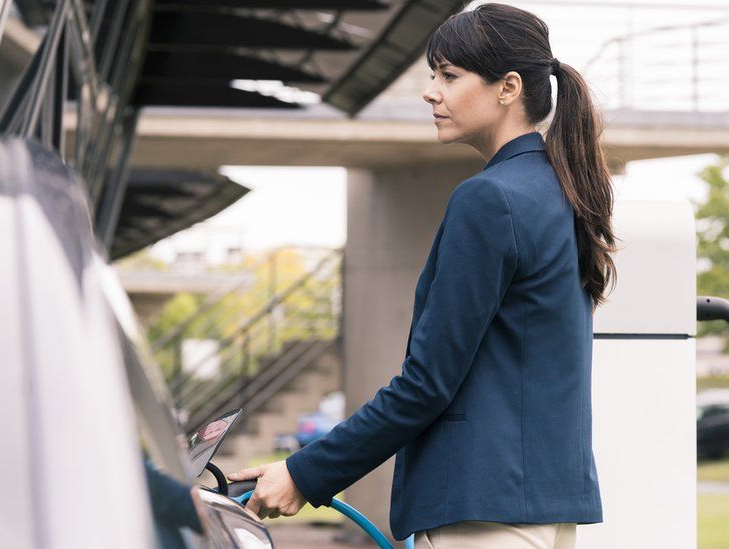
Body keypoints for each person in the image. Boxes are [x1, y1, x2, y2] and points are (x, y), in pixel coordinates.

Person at [228, 4, 617, 548]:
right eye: (433, 76)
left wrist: (304, 472)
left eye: (449, 76)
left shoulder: (490, 199)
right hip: (542, 509)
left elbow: (428, 383)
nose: (431, 92)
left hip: (482, 513)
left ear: (508, 87)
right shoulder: (561, 191)